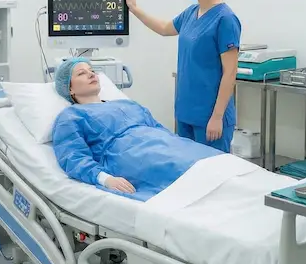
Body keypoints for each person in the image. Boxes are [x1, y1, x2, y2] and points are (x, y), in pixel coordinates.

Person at [51, 58, 222, 201]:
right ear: (70, 88)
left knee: (215, 163)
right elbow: (73, 157)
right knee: (193, 179)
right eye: (81, 73)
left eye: (91, 70)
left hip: (168, 146)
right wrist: (105, 179)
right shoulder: (71, 117)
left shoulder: (127, 104)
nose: (91, 74)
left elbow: (162, 131)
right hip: (131, 156)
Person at [122, 0, 241, 153]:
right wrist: (134, 9)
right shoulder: (191, 13)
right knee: (188, 173)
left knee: (211, 174)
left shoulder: (225, 19)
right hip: (187, 112)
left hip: (210, 117)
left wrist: (218, 117)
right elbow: (164, 28)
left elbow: (230, 73)